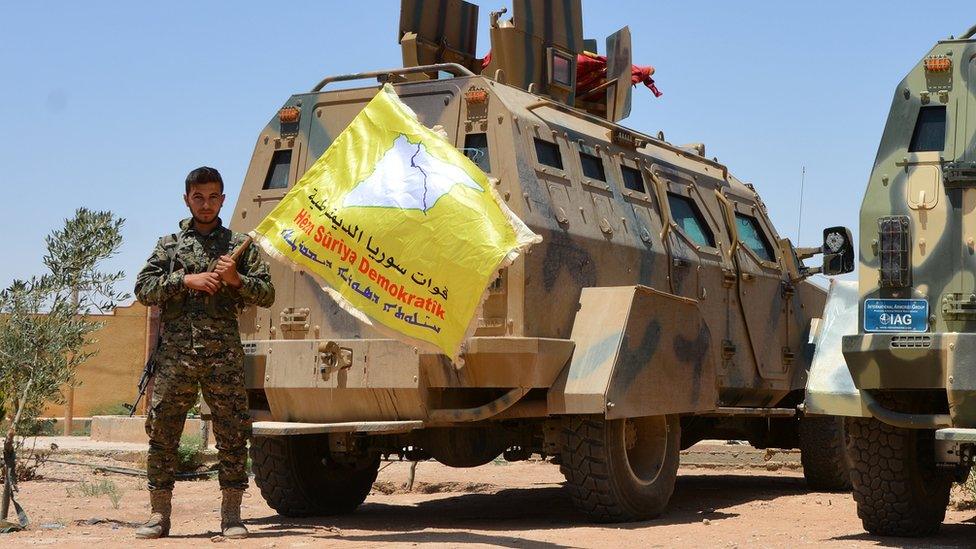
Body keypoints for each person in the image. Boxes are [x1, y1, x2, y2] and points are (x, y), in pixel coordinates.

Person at [133, 166, 275, 539]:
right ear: (187, 200)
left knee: (232, 433)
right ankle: (158, 515)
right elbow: (143, 289)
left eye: (213, 197)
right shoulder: (169, 246)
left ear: (223, 200)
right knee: (163, 433)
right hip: (175, 358)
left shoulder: (238, 246)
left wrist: (236, 280)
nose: (206, 204)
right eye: (198, 197)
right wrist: (184, 279)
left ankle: (232, 516)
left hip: (223, 357)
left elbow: (267, 293)